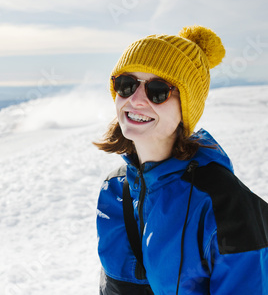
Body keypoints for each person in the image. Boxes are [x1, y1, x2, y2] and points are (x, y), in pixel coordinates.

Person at [94, 25, 268, 295]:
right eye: (126, 84)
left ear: (186, 109)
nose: (136, 99)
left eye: (158, 90)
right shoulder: (115, 188)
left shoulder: (225, 204)